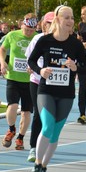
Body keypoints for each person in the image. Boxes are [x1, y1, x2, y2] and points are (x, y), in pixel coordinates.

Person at [27, 5, 86, 172]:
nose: (70, 21)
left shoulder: (76, 44)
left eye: (72, 18)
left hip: (66, 93)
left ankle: (44, 167)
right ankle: (37, 164)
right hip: (46, 91)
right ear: (58, 19)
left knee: (55, 133)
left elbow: (85, 67)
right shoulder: (45, 41)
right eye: (66, 17)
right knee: (47, 127)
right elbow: (30, 60)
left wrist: (75, 67)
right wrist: (40, 70)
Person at [0, 13, 38, 150]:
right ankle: (11, 129)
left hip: (30, 81)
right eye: (27, 29)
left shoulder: (38, 38)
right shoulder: (12, 35)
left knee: (27, 112)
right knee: (13, 106)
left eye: (31, 31)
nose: (28, 33)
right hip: (13, 78)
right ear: (22, 25)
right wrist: (3, 63)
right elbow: (2, 49)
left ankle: (20, 138)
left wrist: (35, 68)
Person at [24, 11, 54, 163]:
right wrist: (34, 68)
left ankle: (45, 144)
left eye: (54, 22)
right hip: (37, 81)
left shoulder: (63, 40)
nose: (51, 25)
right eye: (49, 23)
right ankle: (33, 147)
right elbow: (29, 59)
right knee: (37, 113)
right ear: (44, 24)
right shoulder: (37, 38)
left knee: (49, 117)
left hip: (54, 84)